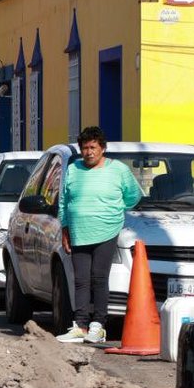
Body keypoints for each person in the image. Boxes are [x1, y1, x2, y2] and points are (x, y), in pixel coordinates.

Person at [56, 126, 142, 344]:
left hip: (106, 230)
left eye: (93, 147)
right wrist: (65, 229)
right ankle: (80, 326)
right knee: (80, 280)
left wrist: (115, 209)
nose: (89, 152)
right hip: (78, 231)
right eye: (85, 148)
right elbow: (64, 201)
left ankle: (99, 326)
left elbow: (133, 195)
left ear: (102, 148)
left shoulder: (118, 170)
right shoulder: (73, 169)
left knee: (99, 278)